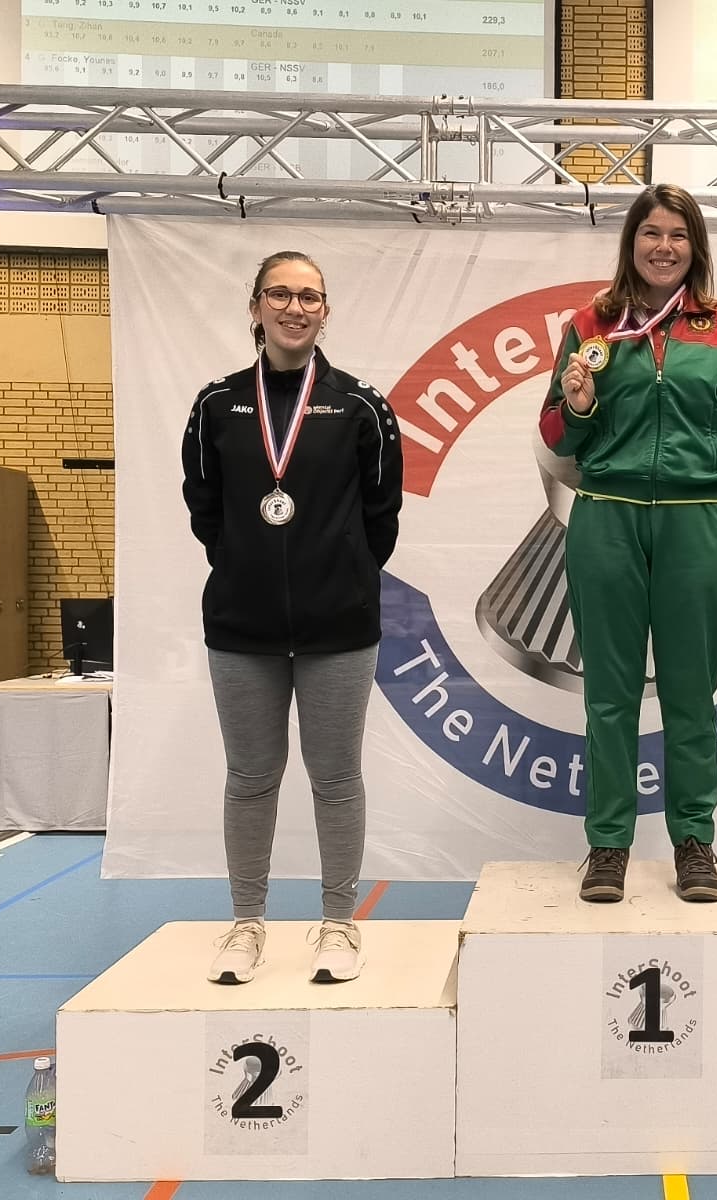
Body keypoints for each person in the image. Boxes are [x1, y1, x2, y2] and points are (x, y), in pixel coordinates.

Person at [539, 183, 717, 905]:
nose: (663, 247)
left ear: (695, 246)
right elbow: (555, 435)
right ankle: (608, 844)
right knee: (609, 695)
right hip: (606, 516)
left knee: (691, 694)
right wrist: (579, 405)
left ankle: (694, 840)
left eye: (678, 234)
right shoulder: (591, 324)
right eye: (651, 232)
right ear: (630, 241)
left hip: (694, 519)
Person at [181, 250, 403, 984]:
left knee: (335, 778)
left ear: (325, 311)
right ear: (255, 308)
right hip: (241, 628)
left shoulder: (362, 406)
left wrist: (337, 574)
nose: (294, 308)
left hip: (339, 627)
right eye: (279, 294)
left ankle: (339, 924)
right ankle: (246, 924)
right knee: (250, 777)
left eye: (310, 296)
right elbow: (204, 508)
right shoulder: (216, 405)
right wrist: (246, 565)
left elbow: (382, 516)